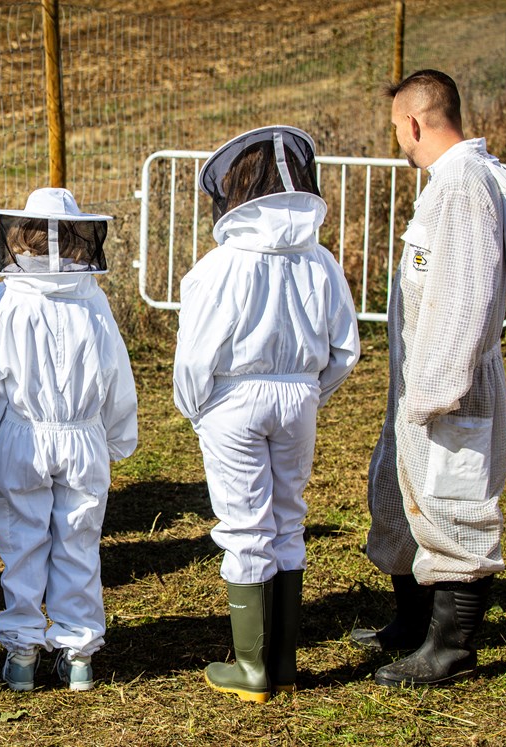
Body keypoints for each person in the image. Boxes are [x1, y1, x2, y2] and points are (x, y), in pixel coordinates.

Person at [173, 126, 360, 703]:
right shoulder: (321, 260)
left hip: (233, 402)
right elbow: (345, 349)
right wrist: (307, 393)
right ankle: (283, 661)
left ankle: (251, 668)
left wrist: (200, 411)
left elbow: (194, 358)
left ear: (235, 188)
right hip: (299, 397)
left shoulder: (219, 266)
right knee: (287, 521)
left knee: (244, 526)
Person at [351, 70, 506, 687]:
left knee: (453, 507)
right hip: (422, 387)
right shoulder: (450, 182)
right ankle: (412, 622)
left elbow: (468, 296)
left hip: (448, 388)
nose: (397, 139)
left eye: (396, 129)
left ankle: (451, 649)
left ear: (414, 123)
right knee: (402, 497)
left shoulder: (464, 187)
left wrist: (434, 394)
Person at [0, 187, 138, 693]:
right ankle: (78, 655)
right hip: (83, 437)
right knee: (78, 543)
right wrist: (115, 437)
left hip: (22, 438)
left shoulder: (2, 300)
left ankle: (22, 654)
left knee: (21, 545)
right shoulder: (94, 301)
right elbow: (117, 376)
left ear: (19, 238)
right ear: (81, 240)